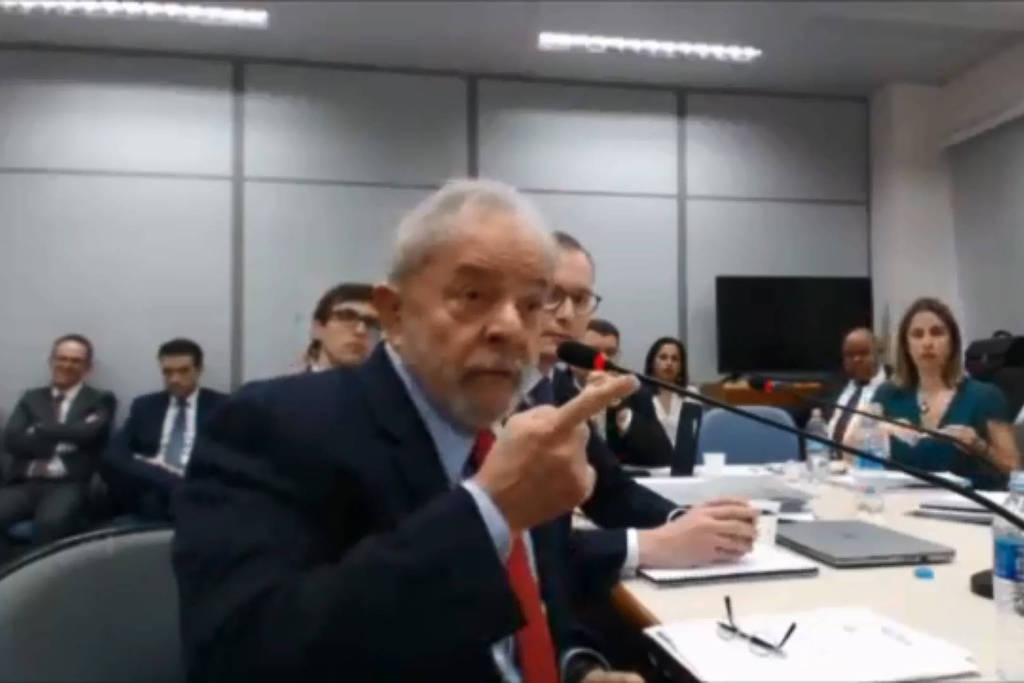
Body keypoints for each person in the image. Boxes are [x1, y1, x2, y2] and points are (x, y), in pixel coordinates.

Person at [172, 179, 644, 682]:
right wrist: (487, 512)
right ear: (393, 312)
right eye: (473, 295)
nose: (510, 328)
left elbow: (533, 615)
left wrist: (578, 670)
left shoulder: (519, 431)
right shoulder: (274, 426)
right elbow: (240, 658)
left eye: (531, 305)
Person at [539, 232, 756, 583]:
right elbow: (529, 548)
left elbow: (611, 490)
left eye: (580, 299)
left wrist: (685, 520)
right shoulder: (494, 393)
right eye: (551, 294)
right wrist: (653, 545)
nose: (565, 314)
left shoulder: (555, 387)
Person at [870, 298, 1021, 489]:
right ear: (906, 346)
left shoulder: (986, 396)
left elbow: (1013, 468)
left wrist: (978, 446)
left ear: (953, 342)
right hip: (899, 502)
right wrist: (881, 428)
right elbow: (851, 455)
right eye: (917, 335)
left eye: (937, 333)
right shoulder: (888, 394)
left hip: (969, 503)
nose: (927, 342)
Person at [0, 334, 116, 558]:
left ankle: (39, 578)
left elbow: (87, 435)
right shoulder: (31, 398)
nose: (67, 365)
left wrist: (38, 429)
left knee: (51, 524)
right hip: (25, 481)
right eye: (62, 358)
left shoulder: (101, 399)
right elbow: (12, 440)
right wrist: (66, 438)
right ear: (51, 361)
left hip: (68, 484)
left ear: (88, 367)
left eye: (75, 361)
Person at [101, 339, 227, 521]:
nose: (174, 379)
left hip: (201, 489)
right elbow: (115, 454)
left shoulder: (221, 406)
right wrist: (162, 476)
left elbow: (231, 457)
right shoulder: (145, 406)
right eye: (168, 372)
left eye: (183, 371)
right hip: (155, 489)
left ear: (199, 370)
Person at [603, 337, 700, 468]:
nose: (669, 363)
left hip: (684, 464)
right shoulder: (638, 394)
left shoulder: (691, 394)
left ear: (681, 366)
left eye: (675, 359)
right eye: (663, 357)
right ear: (652, 362)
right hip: (649, 464)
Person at [826, 327, 888, 449]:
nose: (856, 359)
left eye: (863, 353)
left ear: (878, 354)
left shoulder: (893, 388)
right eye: (849, 355)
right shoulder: (835, 384)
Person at [305, 282, 380, 371]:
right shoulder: (293, 380)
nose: (361, 330)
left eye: (372, 323)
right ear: (318, 328)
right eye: (347, 317)